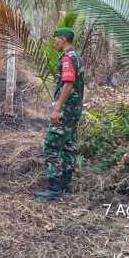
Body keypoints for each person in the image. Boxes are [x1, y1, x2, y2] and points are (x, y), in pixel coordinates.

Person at [34, 27, 85, 202]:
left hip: (66, 110)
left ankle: (54, 189)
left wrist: (57, 109)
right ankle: (65, 184)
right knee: (69, 145)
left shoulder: (67, 59)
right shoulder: (76, 57)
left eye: (55, 39)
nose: (53, 42)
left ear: (63, 39)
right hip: (74, 111)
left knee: (52, 145)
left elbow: (68, 85)